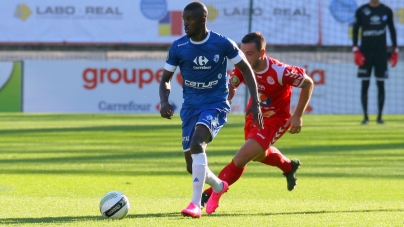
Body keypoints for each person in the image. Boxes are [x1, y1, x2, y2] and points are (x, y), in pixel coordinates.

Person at [159, 2, 263, 218]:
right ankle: (218, 185)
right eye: (184, 19)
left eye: (190, 19)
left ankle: (195, 204)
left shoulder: (222, 43)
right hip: (190, 107)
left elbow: (246, 69)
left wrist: (255, 101)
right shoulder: (178, 47)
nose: (185, 23)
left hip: (215, 103)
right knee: (192, 165)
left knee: (198, 143)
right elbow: (165, 79)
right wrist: (164, 101)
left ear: (203, 19)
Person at [202, 32, 314, 214]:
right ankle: (288, 166)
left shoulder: (280, 71)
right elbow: (231, 87)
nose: (244, 57)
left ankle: (208, 193)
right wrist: (223, 103)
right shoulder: (242, 66)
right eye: (242, 52)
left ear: (262, 52)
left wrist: (297, 115)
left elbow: (308, 84)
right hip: (253, 116)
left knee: (241, 158)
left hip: (275, 121)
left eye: (250, 53)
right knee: (257, 155)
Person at [352, 0, 398, 124]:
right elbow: (355, 30)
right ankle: (366, 117)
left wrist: (395, 50)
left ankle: (379, 117)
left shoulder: (386, 10)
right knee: (365, 84)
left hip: (381, 54)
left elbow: (392, 30)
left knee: (381, 85)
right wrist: (355, 49)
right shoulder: (361, 10)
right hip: (365, 53)